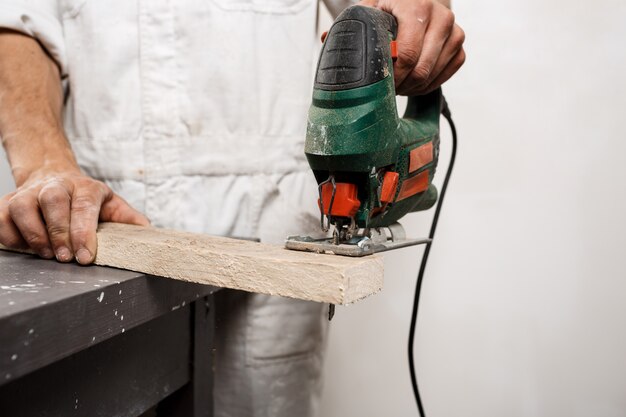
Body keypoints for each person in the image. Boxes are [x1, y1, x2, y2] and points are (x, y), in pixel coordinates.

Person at [0, 0, 464, 415]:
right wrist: (45, 165)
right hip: (108, 211)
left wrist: (417, 12)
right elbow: (19, 21)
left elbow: (395, 9)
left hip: (269, 220)